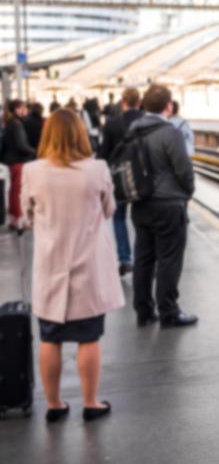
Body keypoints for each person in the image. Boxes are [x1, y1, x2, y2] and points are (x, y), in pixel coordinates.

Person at [21, 109, 123, 422]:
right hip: (87, 268)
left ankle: (54, 405)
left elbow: (26, 216)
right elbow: (109, 210)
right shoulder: (97, 169)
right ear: (81, 133)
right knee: (88, 337)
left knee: (50, 338)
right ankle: (90, 403)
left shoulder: (32, 171)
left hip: (50, 267)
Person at [128, 84, 197, 328]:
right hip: (168, 204)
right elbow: (183, 169)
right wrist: (188, 192)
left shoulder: (133, 130)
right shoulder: (170, 133)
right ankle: (169, 311)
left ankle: (144, 311)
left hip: (140, 204)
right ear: (168, 106)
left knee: (143, 259)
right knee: (169, 259)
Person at [99, 87, 144, 276]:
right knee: (143, 220)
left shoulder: (112, 124)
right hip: (143, 178)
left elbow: (103, 155)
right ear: (139, 103)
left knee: (119, 218)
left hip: (119, 179)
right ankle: (144, 259)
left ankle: (125, 259)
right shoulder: (147, 121)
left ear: (122, 103)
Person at [2, 99, 36, 231]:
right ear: (16, 109)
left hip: (11, 160)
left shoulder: (9, 123)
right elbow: (21, 145)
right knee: (18, 192)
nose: (25, 110)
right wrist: (35, 151)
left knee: (13, 191)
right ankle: (21, 220)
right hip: (18, 161)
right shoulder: (17, 124)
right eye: (23, 108)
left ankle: (13, 219)